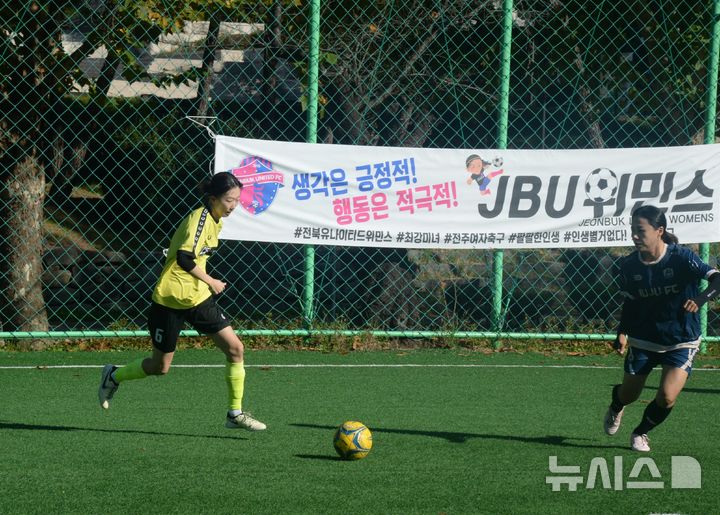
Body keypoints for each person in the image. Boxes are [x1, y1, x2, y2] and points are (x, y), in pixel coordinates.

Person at [98, 171, 266, 431]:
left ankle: (234, 413)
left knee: (235, 349)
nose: (234, 205)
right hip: (170, 300)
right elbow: (184, 259)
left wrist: (205, 286)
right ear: (213, 198)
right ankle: (113, 375)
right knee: (160, 366)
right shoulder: (198, 220)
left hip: (198, 298)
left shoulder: (216, 219)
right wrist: (211, 280)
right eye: (229, 200)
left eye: (236, 200)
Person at [603, 205, 719, 451]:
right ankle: (616, 405)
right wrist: (622, 332)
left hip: (682, 339)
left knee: (667, 397)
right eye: (633, 230)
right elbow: (631, 302)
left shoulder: (681, 257)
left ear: (659, 231)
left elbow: (717, 279)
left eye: (640, 231)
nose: (635, 236)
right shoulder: (628, 266)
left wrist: (699, 300)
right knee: (629, 395)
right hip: (645, 339)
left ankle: (640, 432)